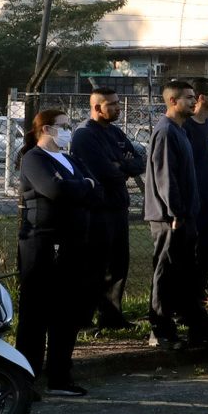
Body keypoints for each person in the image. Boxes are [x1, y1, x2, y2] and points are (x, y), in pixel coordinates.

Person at [14, 105, 94, 398]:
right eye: (63, 124)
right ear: (46, 129)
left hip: (73, 243)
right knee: (35, 313)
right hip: (42, 243)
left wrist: (78, 185)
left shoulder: (69, 159)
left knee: (66, 311)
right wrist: (80, 186)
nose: (68, 129)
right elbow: (54, 191)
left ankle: (60, 375)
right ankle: (25, 378)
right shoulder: (34, 159)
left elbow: (92, 187)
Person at [69, 89, 145, 330]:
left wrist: (120, 163)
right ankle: (82, 319)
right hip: (97, 209)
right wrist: (122, 165)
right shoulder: (84, 135)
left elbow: (139, 162)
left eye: (117, 103)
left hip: (119, 206)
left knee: (118, 263)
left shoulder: (115, 132)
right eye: (111, 104)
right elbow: (103, 171)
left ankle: (112, 317)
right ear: (97, 108)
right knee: (94, 265)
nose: (116, 108)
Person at [144, 79, 208, 354]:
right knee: (165, 273)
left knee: (183, 272)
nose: (195, 102)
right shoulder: (166, 132)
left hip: (184, 216)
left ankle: (192, 326)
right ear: (173, 101)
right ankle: (160, 331)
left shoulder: (180, 131)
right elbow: (165, 177)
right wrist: (175, 212)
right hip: (169, 218)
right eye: (188, 98)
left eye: (194, 98)